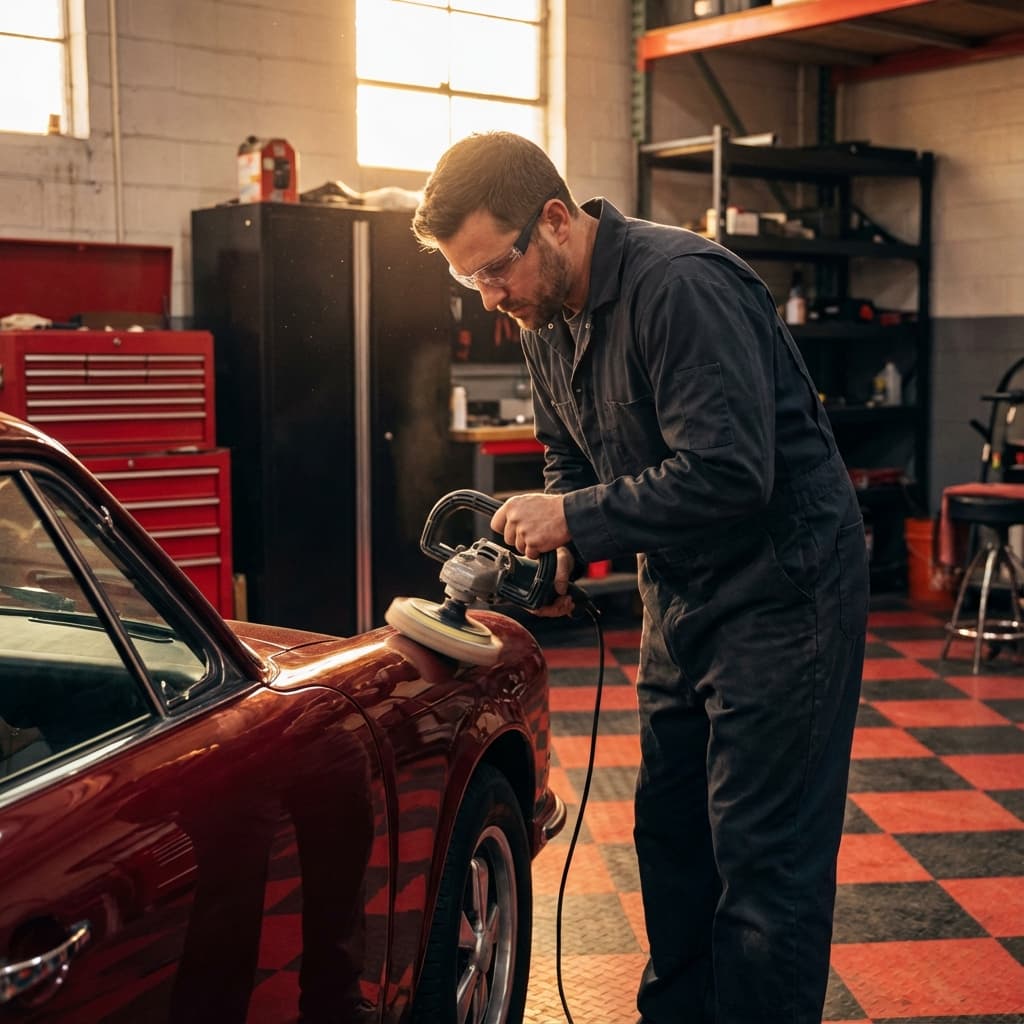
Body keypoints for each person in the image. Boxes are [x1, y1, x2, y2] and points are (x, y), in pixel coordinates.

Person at [412, 131, 868, 1024]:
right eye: (472, 282)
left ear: (554, 220)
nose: (491, 297)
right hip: (683, 598)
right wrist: (564, 546)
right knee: (671, 840)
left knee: (764, 866)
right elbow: (565, 452)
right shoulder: (546, 319)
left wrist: (574, 519)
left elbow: (733, 471)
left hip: (787, 594)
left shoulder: (681, 286)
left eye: (496, 270)